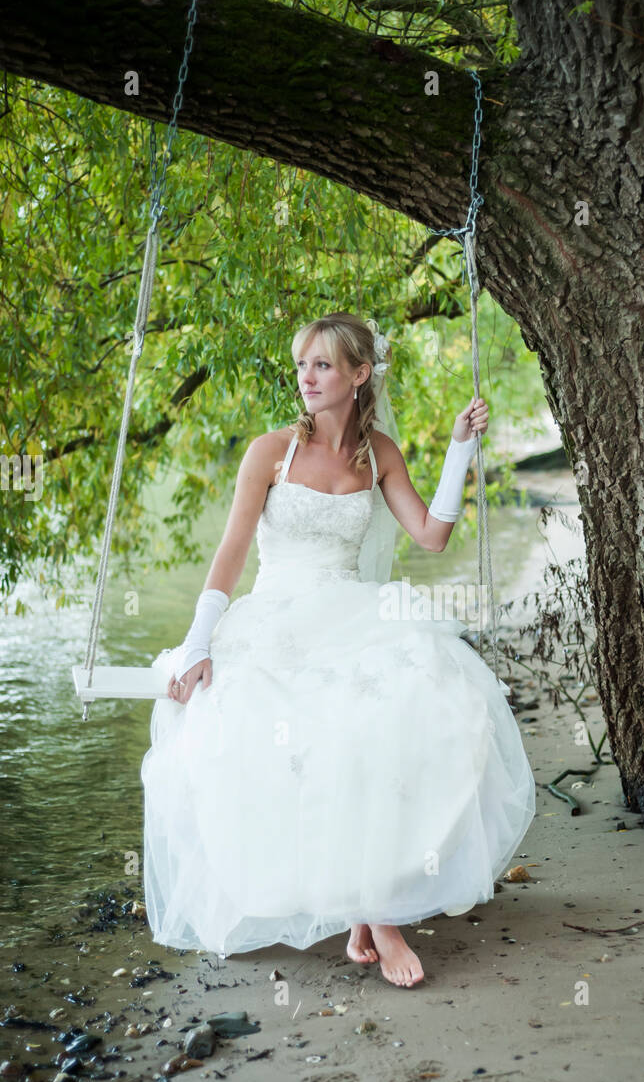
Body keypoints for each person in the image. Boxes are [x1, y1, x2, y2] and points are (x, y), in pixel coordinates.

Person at [140, 312, 536, 987]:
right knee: (286, 727)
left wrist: (459, 450)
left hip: (353, 610)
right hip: (275, 616)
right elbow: (232, 552)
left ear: (359, 374)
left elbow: (432, 536)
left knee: (421, 707)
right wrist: (197, 642)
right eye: (302, 365)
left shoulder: (378, 452)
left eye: (323, 365)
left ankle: (369, 904)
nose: (307, 377)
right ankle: (377, 917)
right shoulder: (269, 451)